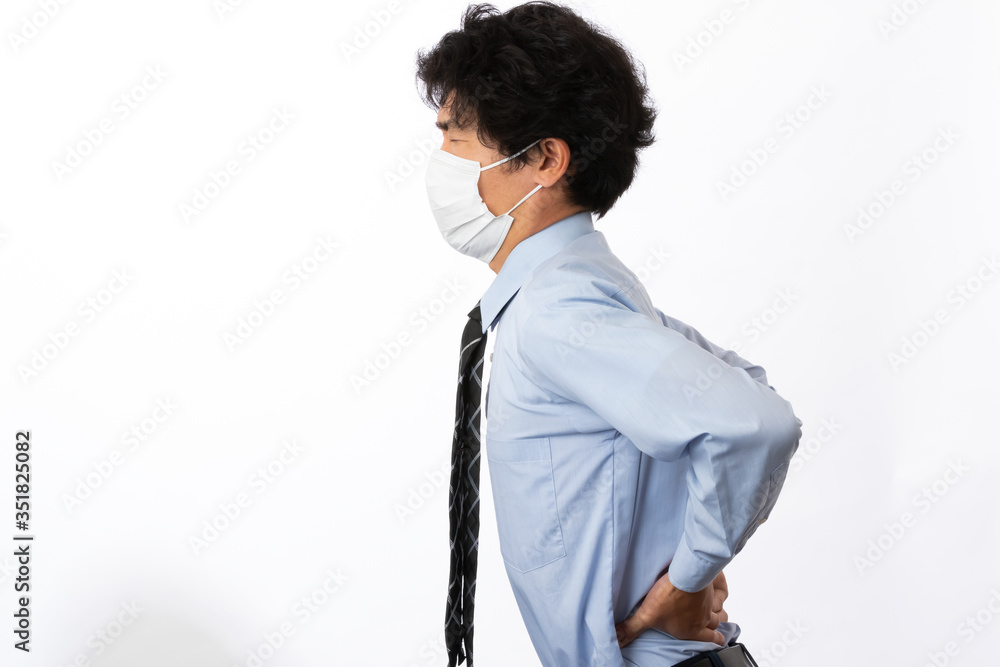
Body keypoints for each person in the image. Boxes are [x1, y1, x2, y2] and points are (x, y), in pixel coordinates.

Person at [415, 3, 803, 665]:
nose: (440, 160)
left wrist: (688, 578)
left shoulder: (557, 308)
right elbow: (745, 392)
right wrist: (699, 553)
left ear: (544, 159)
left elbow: (755, 422)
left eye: (456, 138)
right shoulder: (581, 280)